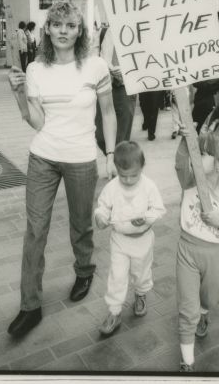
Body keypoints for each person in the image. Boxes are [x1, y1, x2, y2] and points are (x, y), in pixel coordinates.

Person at [7, 1, 117, 339]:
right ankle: (30, 306)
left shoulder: (95, 66)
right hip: (42, 156)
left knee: (81, 224)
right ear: (48, 30)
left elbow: (109, 112)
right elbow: (37, 122)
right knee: (35, 230)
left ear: (80, 30)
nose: (63, 31)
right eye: (57, 25)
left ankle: (84, 270)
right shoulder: (37, 69)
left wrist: (110, 155)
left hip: (82, 157)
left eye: (70, 25)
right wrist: (18, 94)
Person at [175, 121, 219, 372]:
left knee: (209, 298)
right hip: (187, 250)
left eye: (203, 153)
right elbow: (182, 163)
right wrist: (186, 140)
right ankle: (187, 361)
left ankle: (204, 311)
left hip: (215, 255)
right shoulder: (190, 181)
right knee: (187, 308)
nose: (198, 155)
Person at [94, 141, 166, 335]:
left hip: (143, 239)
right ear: (117, 169)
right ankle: (114, 311)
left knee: (141, 272)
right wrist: (101, 217)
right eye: (123, 176)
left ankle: (141, 293)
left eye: (133, 175)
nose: (127, 180)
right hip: (120, 239)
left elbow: (159, 209)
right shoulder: (111, 187)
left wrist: (146, 218)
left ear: (142, 168)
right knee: (117, 275)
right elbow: (102, 207)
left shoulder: (148, 186)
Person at [95, 26, 137, 154]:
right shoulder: (104, 32)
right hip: (105, 85)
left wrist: (126, 71)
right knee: (100, 136)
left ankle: (118, 167)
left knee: (122, 136)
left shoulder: (137, 30)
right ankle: (112, 156)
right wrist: (107, 67)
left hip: (125, 88)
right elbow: (96, 55)